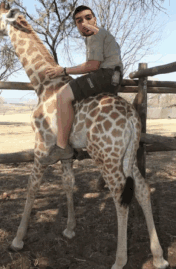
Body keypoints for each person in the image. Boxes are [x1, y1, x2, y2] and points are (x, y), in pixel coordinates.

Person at [39, 5, 123, 165]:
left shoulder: (95, 36)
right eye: (79, 21)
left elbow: (93, 65)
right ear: (76, 25)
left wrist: (63, 70)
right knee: (82, 101)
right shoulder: (104, 34)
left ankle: (62, 147)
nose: (84, 23)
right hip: (115, 79)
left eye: (88, 18)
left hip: (105, 75)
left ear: (95, 19)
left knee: (63, 96)